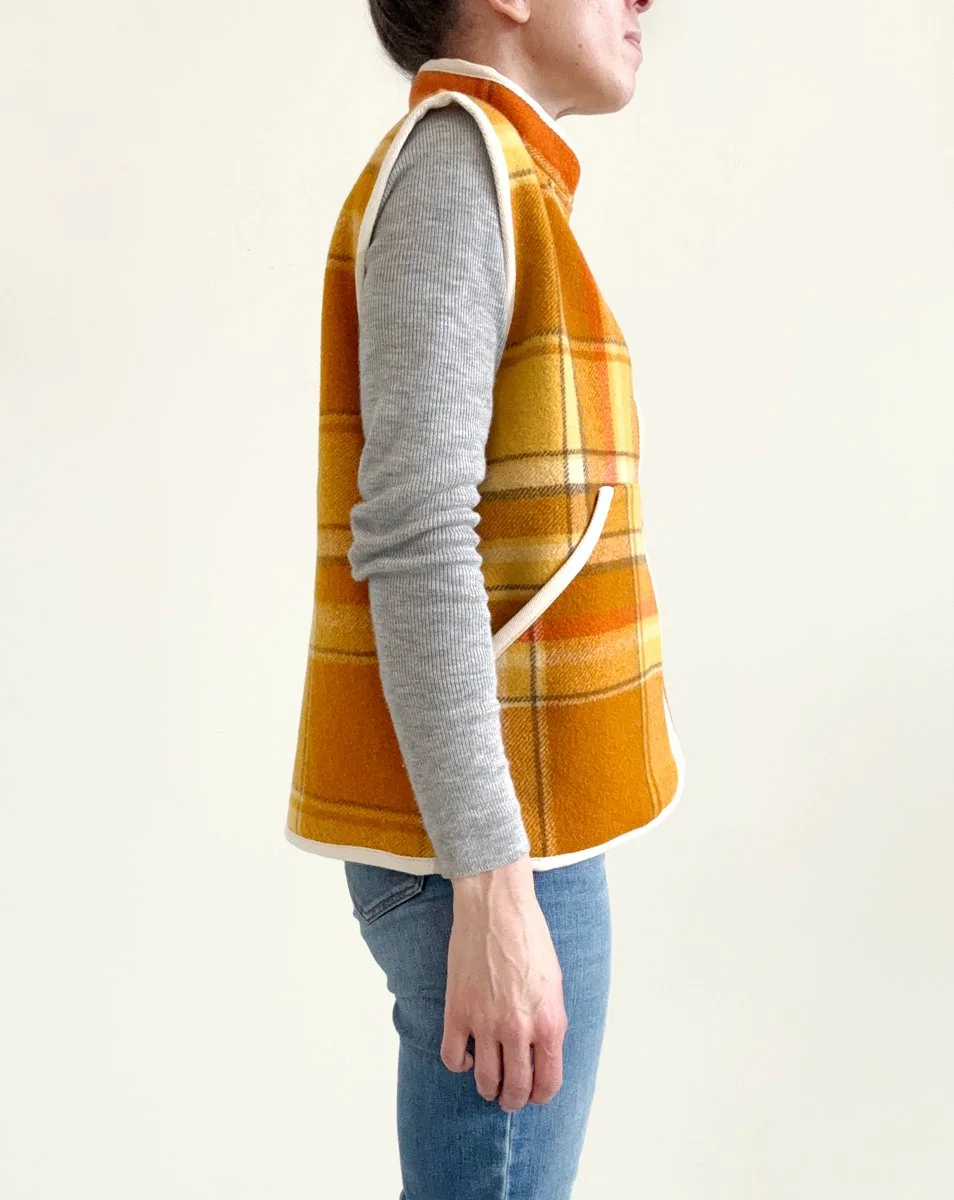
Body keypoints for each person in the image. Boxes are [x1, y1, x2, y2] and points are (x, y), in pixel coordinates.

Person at [285, 2, 685, 1195]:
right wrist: (495, 884)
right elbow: (414, 536)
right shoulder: (460, 167)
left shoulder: (499, 175)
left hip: (509, 833)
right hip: (496, 845)